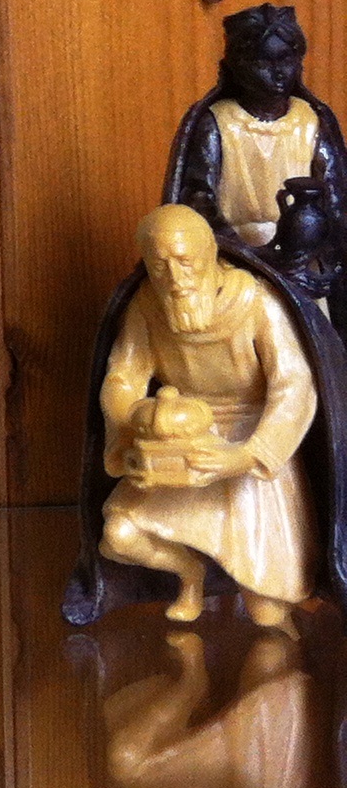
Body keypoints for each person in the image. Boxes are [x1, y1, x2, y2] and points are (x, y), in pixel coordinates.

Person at [96, 205, 318, 626]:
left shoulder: (256, 302)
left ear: (210, 253)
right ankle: (189, 572)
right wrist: (132, 429)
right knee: (119, 536)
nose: (175, 280)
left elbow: (294, 384)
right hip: (178, 434)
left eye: (185, 262)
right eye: (160, 267)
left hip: (248, 440)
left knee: (267, 614)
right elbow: (124, 376)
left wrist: (248, 455)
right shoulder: (147, 306)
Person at [165, 3, 345, 297]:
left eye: (286, 59)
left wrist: (320, 254)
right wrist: (249, 252)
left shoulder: (311, 122)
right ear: (237, 65)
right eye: (263, 62)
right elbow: (198, 201)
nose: (278, 73)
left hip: (299, 261)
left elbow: (334, 200)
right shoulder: (217, 124)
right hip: (231, 261)